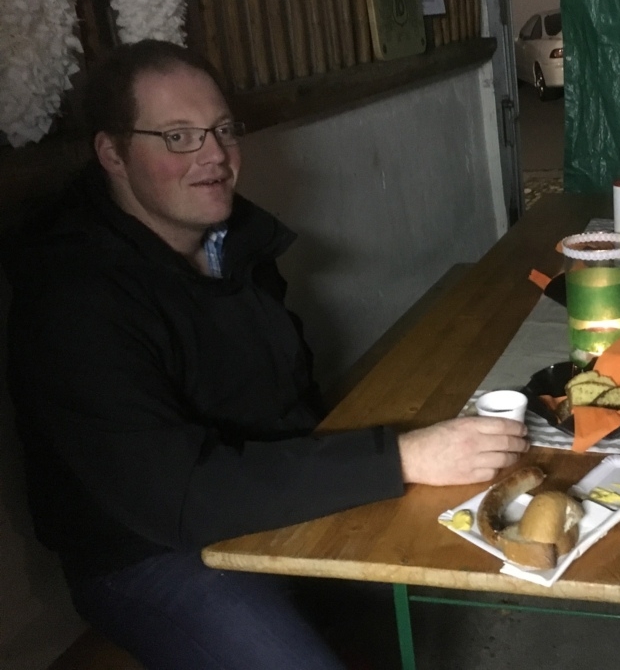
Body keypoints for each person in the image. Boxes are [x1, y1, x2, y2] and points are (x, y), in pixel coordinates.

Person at [1, 40, 528, 670]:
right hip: (147, 550)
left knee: (460, 530)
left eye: (223, 130)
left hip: (259, 491)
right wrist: (401, 456)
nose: (214, 156)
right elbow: (178, 496)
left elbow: (289, 401)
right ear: (112, 153)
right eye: (178, 137)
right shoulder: (74, 296)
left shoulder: (232, 242)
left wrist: (389, 460)